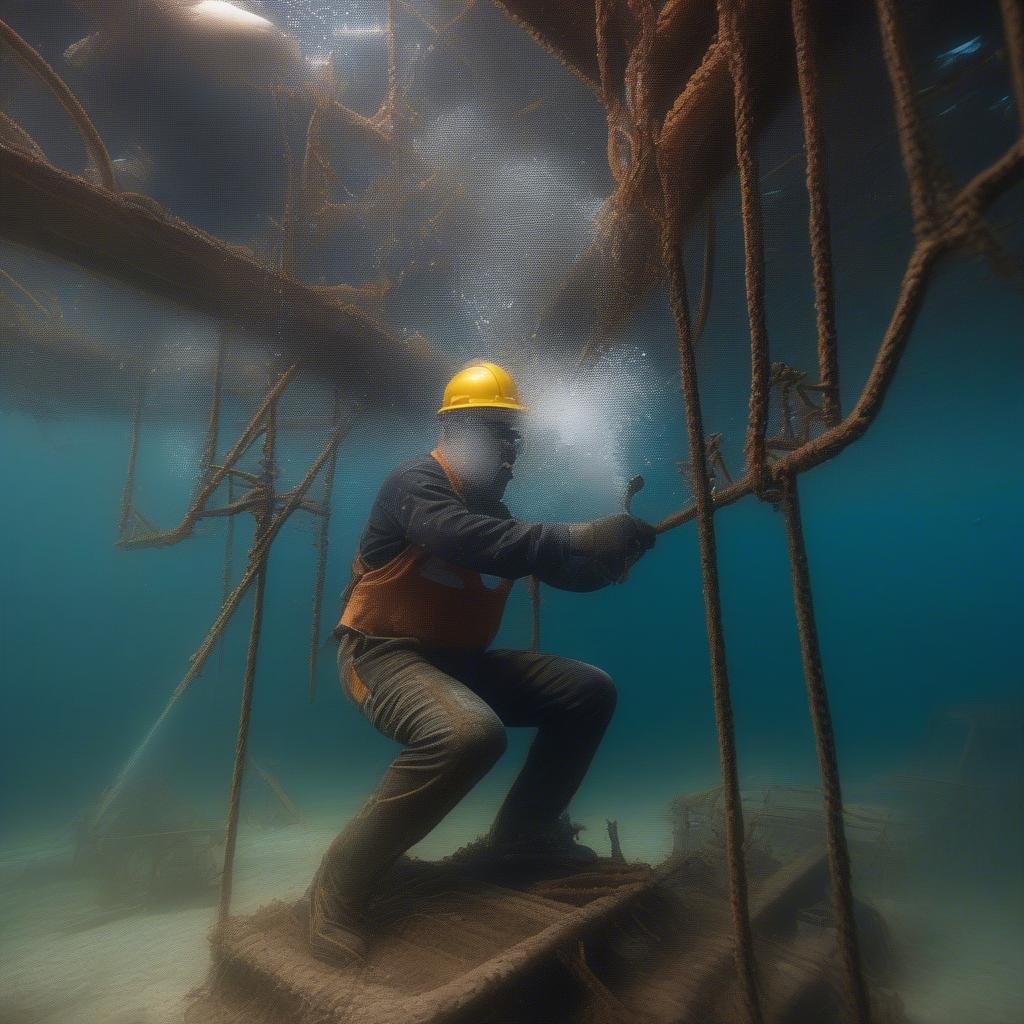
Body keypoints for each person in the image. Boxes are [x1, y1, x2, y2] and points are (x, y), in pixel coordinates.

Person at [309, 360, 656, 965]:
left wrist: (610, 557)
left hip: (457, 664)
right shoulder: (414, 483)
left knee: (587, 691)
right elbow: (462, 539)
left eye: (512, 441)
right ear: (464, 434)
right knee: (469, 735)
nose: (511, 455)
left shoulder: (493, 515)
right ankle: (332, 892)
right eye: (504, 439)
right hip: (383, 657)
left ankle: (523, 836)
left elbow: (557, 567)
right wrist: (578, 534)